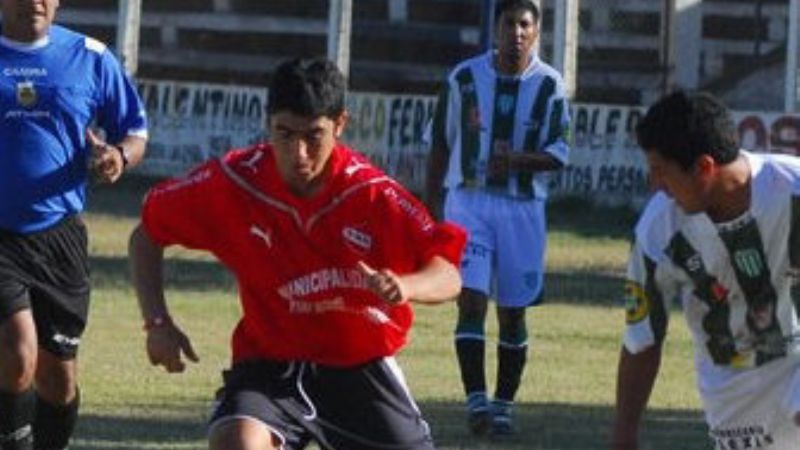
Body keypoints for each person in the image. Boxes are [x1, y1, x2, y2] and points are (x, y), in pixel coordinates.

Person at [128, 57, 466, 450]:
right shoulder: (235, 182)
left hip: (358, 369)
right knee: (237, 441)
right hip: (270, 368)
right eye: (284, 134)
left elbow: (449, 275)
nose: (299, 153)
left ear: (340, 125)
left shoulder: (373, 195)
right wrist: (157, 322)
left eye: (314, 136)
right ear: (267, 122)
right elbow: (146, 235)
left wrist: (407, 286)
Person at [611, 91, 800, 450]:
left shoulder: (791, 192)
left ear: (704, 168)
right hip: (733, 389)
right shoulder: (657, 232)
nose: (655, 185)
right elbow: (643, 337)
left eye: (660, 171)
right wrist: (624, 434)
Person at [0, 1, 148, 449]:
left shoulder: (90, 56)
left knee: (57, 380)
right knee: (17, 353)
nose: (35, 2)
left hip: (59, 236)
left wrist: (117, 156)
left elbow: (136, 130)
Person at [425, 0, 570, 436]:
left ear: (536, 31)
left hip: (522, 210)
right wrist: (432, 205)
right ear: (497, 28)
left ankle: (503, 406)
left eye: (525, 24)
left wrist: (519, 160)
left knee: (512, 312)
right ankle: (477, 405)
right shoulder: (464, 77)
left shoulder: (550, 85)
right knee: (470, 298)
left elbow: (559, 154)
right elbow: (439, 144)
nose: (517, 32)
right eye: (509, 23)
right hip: (469, 203)